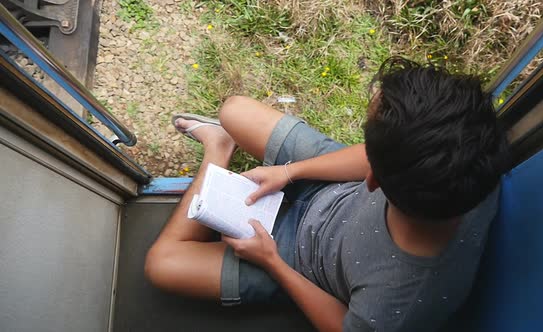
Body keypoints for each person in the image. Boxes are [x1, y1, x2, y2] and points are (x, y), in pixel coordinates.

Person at [144, 57, 508, 331]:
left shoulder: (399, 303)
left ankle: (218, 150)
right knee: (233, 110)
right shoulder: (475, 160)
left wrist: (271, 261)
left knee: (161, 265)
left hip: (295, 259)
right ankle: (227, 140)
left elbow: (341, 326)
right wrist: (289, 171)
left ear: (373, 180)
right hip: (332, 186)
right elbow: (372, 158)